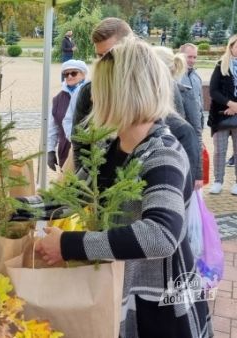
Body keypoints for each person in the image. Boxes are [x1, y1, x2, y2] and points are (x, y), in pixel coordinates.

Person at [37, 37, 211, 338]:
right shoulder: (110, 145)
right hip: (121, 287)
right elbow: (70, 197)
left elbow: (161, 235)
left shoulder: (162, 154)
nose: (93, 96)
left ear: (122, 93)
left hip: (161, 305)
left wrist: (69, 245)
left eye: (101, 88)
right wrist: (7, 208)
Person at [71, 18, 133, 169]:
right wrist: (86, 184)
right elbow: (79, 143)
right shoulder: (88, 92)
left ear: (131, 48)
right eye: (99, 56)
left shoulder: (154, 89)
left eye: (109, 55)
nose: (103, 63)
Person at [154, 46, 204, 189]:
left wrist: (198, 174)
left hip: (182, 165)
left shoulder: (183, 91)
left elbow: (196, 132)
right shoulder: (148, 93)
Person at [208, 34, 237, 195]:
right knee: (220, 150)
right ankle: (218, 181)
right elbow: (213, 91)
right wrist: (231, 104)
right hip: (221, 115)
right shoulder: (221, 65)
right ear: (231, 47)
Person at [47, 59, 88, 171]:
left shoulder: (91, 94)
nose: (69, 76)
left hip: (88, 153)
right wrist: (50, 150)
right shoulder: (58, 99)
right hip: (65, 152)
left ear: (83, 74)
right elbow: (53, 127)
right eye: (66, 74)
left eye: (74, 73)